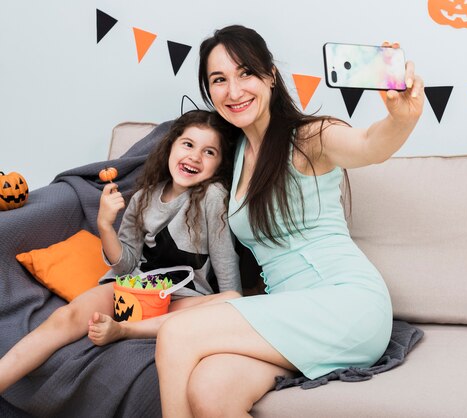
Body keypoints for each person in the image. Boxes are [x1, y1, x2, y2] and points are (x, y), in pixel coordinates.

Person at [154, 25, 424, 417]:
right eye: (219, 79)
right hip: (292, 314)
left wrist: (402, 119)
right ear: (209, 91)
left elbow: (369, 145)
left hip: (347, 304)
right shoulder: (237, 152)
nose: (234, 90)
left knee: (177, 334)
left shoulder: (309, 137)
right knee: (210, 389)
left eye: (245, 72)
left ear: (270, 76)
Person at [0, 110, 242, 394]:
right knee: (65, 318)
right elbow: (125, 264)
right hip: (131, 289)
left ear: (220, 164)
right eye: (188, 144)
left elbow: (226, 262)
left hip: (177, 299)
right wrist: (104, 224)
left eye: (209, 151)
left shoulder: (213, 197)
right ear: (171, 146)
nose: (195, 156)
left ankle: (124, 330)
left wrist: (235, 312)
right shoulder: (143, 197)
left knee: (233, 299)